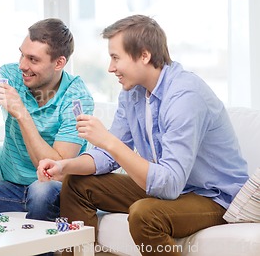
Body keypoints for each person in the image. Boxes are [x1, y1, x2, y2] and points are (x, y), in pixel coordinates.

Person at [37, 15, 249, 255]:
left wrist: (108, 140)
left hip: (213, 197)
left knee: (144, 214)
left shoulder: (185, 96)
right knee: (77, 183)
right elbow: (107, 156)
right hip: (176, 188)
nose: (110, 67)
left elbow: (169, 184)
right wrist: (64, 166)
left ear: (144, 55)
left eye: (116, 57)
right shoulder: (132, 93)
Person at [0, 18, 94, 223]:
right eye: (22, 54)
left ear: (59, 63)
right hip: (10, 187)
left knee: (41, 191)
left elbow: (54, 171)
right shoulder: (8, 75)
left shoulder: (77, 98)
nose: (22, 65)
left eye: (33, 59)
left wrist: (21, 113)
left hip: (54, 189)